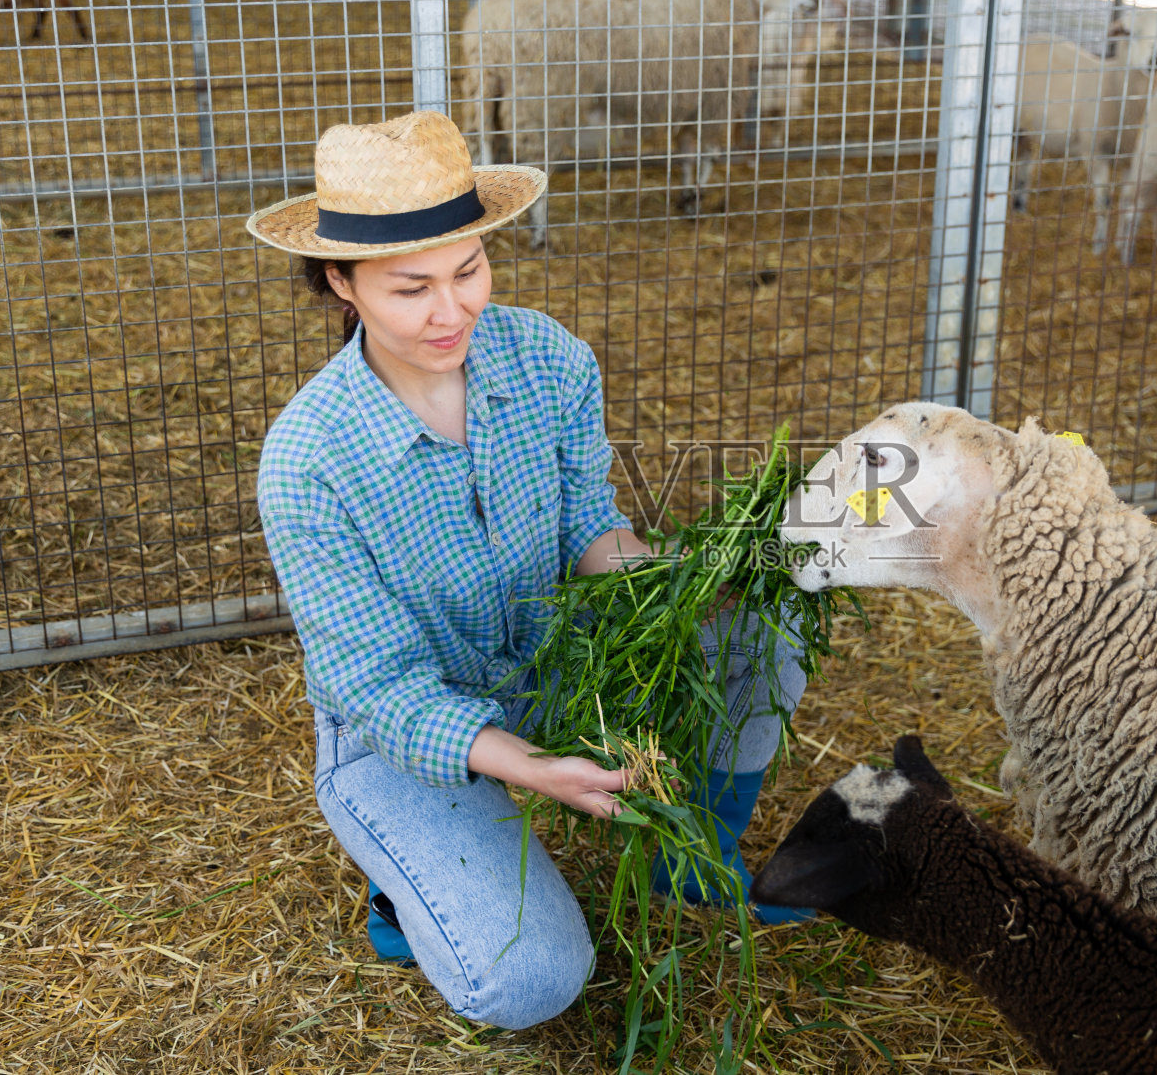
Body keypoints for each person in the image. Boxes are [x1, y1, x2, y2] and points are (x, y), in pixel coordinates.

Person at [246, 110, 808, 1031]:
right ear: (342, 282)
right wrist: (536, 767)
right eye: (410, 288)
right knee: (530, 981)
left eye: (469, 271)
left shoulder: (547, 356)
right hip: (406, 733)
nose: (451, 311)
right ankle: (406, 893)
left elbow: (590, 524)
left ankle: (690, 856)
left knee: (759, 624)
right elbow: (376, 686)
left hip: (556, 660)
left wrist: (696, 584)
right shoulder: (310, 458)